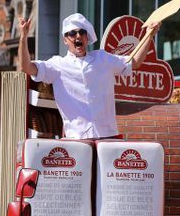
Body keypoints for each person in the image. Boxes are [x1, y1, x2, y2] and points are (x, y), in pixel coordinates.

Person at [16, 13, 158, 139]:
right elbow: (26, 67)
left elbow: (134, 62)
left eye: (82, 32)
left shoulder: (102, 58)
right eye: (72, 33)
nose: (78, 36)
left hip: (108, 135)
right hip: (77, 138)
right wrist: (23, 38)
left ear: (87, 37)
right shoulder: (58, 64)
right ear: (65, 40)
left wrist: (149, 35)